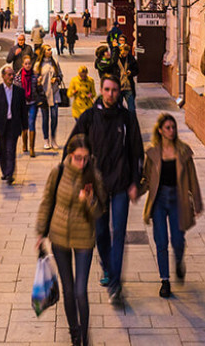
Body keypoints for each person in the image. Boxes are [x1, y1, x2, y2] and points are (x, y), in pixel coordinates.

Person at [67, 75, 144, 304]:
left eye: (115, 90)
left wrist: (135, 182)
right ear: (101, 90)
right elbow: (72, 147)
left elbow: (137, 151)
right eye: (107, 90)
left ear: (119, 92)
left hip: (121, 184)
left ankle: (115, 284)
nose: (111, 94)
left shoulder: (127, 118)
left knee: (118, 233)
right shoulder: (89, 117)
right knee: (100, 233)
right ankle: (108, 268)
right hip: (96, 187)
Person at [37, 134, 106, 346]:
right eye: (78, 157)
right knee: (68, 290)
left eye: (85, 158)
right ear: (69, 155)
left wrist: (90, 201)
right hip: (59, 237)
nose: (82, 163)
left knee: (80, 291)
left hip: (84, 238)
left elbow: (99, 212)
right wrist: (40, 231)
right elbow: (47, 201)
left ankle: (85, 337)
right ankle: (74, 334)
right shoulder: (58, 172)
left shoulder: (94, 176)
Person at [139, 114, 204, 298]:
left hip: (178, 199)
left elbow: (192, 179)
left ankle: (179, 260)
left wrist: (197, 203)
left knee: (177, 239)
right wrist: (136, 190)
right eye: (167, 127)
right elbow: (146, 178)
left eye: (173, 127)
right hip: (159, 200)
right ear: (160, 130)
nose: (171, 131)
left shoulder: (183, 152)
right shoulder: (152, 153)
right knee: (161, 241)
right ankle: (165, 280)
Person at [0, 65, 26, 183]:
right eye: (9, 75)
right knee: (2, 150)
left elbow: (23, 110)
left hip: (13, 125)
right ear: (3, 76)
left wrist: (25, 126)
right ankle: (5, 171)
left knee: (11, 150)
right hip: (0, 125)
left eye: (12, 74)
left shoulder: (19, 91)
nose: (11, 77)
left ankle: (9, 174)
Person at [38, 46, 64, 150]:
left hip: (54, 94)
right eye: (48, 49)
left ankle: (53, 139)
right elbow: (34, 78)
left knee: (54, 117)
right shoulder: (38, 65)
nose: (50, 51)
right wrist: (38, 80)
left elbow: (61, 75)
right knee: (45, 118)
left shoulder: (55, 62)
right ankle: (46, 139)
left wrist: (56, 79)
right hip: (44, 95)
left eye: (50, 49)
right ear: (43, 52)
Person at [19, 55, 41, 157]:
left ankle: (32, 148)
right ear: (23, 65)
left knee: (31, 123)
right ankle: (24, 144)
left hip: (32, 102)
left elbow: (39, 89)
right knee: (24, 125)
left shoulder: (35, 75)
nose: (28, 65)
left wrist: (39, 83)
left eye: (29, 64)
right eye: (26, 64)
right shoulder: (18, 76)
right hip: (23, 104)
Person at [116, 44, 140, 114]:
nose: (124, 55)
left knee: (131, 108)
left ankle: (132, 120)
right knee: (118, 108)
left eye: (126, 53)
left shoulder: (131, 58)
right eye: (123, 53)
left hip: (128, 87)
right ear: (120, 51)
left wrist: (131, 72)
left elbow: (137, 70)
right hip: (118, 87)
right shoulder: (115, 59)